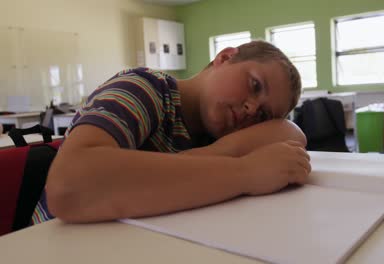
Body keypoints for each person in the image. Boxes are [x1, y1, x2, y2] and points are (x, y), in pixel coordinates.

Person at [33, 40, 311, 224]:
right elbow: (70, 185)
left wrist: (215, 154)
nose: (251, 108)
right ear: (225, 57)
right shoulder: (145, 87)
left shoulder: (218, 135)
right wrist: (246, 172)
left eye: (263, 115)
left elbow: (292, 134)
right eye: (254, 85)